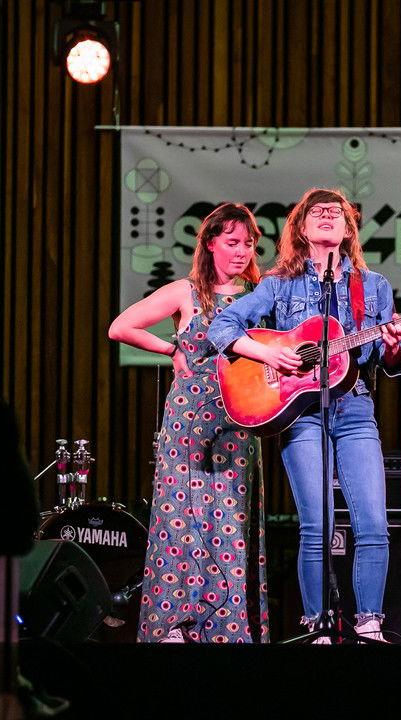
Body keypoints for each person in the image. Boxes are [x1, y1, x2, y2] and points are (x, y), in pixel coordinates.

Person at [207, 188, 401, 641]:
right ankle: (318, 627)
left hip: (354, 407)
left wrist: (393, 348)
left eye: (337, 211)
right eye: (318, 211)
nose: (328, 215)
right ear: (301, 226)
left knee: (373, 524)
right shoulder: (279, 283)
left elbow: (385, 362)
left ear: (349, 228)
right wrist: (268, 354)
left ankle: (369, 623)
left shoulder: (372, 285)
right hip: (299, 412)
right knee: (318, 525)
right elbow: (223, 326)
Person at [108, 202, 268, 643]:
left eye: (249, 243)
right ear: (211, 243)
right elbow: (120, 327)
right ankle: (175, 624)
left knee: (229, 521)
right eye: (232, 242)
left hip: (238, 420)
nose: (242, 250)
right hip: (189, 420)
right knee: (181, 517)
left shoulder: (259, 294)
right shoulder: (187, 291)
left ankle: (226, 629)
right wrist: (171, 349)